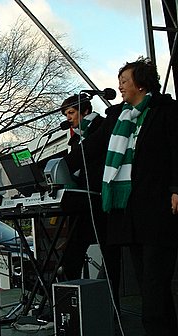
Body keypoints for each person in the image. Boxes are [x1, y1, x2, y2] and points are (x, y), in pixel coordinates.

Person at [65, 57, 178, 336]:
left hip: (159, 209)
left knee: (154, 282)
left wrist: (177, 187)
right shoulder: (118, 116)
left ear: (140, 83)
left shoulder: (166, 111)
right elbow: (92, 146)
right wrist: (49, 167)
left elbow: (177, 151)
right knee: (149, 283)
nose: (120, 87)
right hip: (131, 212)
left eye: (124, 81)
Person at [59, 94, 121, 312]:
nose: (69, 118)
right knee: (71, 256)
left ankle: (113, 308)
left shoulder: (100, 126)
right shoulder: (75, 137)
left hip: (101, 200)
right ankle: (68, 308)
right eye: (66, 114)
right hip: (82, 203)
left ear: (84, 110)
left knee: (111, 256)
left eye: (71, 113)